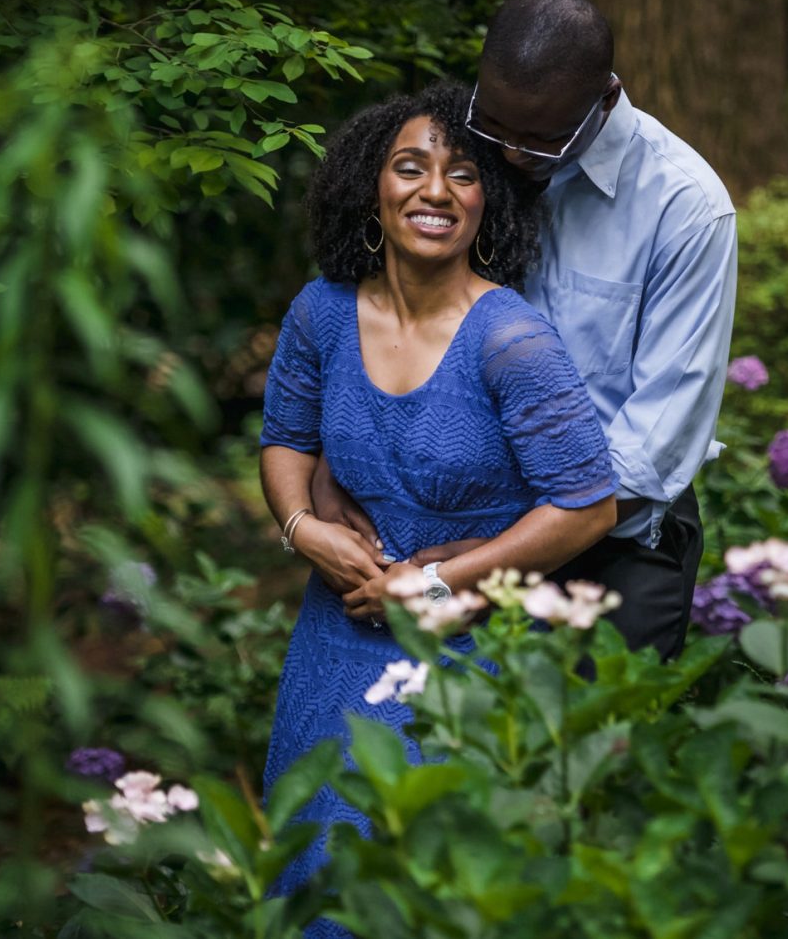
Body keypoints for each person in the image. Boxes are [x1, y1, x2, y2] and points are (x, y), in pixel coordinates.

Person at [257, 82, 618, 928]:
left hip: (468, 652)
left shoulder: (512, 340)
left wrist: (442, 588)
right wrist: (302, 528)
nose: (435, 191)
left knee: (426, 884)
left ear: (485, 202)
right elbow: (285, 440)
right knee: (313, 868)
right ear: (368, 191)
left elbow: (587, 507)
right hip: (334, 637)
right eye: (410, 167)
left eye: (462, 175)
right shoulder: (322, 313)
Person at [311, 0, 738, 662]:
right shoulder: (477, 151)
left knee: (589, 755)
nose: (509, 156)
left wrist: (495, 554)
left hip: (609, 557)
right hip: (441, 535)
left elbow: (657, 445)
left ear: (604, 98)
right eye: (497, 128)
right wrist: (338, 469)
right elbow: (402, 323)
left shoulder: (684, 207)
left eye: (539, 139)